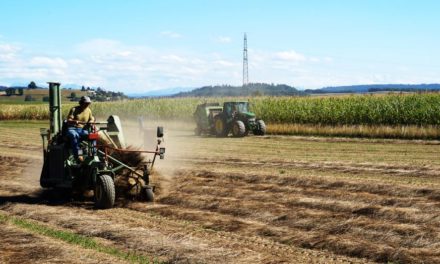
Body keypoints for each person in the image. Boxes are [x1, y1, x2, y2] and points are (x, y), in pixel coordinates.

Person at [66, 96, 95, 162]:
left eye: (88, 103)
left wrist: (91, 121)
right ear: (81, 103)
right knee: (75, 135)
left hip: (82, 130)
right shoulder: (74, 109)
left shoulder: (88, 110)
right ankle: (79, 155)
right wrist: (74, 121)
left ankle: (93, 152)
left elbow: (92, 118)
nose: (87, 105)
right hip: (72, 129)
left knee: (93, 135)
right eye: (86, 103)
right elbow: (68, 120)